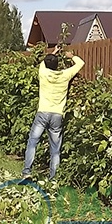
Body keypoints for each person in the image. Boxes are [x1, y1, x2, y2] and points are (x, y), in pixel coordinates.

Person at [22, 44, 85, 180]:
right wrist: (71, 56)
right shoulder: (65, 75)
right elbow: (81, 63)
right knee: (55, 148)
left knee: (33, 141)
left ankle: (27, 171)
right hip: (57, 115)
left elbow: (44, 63)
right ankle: (53, 178)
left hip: (43, 112)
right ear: (57, 65)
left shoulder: (43, 72)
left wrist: (54, 52)